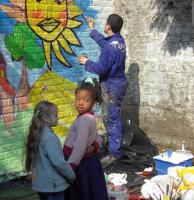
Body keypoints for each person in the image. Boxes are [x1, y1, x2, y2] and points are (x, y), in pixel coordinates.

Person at [78, 14, 128, 159]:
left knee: (112, 120)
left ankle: (115, 154)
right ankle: (115, 148)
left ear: (108, 26)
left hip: (112, 86)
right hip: (118, 84)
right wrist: (92, 29)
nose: (104, 25)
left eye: (105, 23)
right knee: (112, 118)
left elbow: (101, 69)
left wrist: (86, 62)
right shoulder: (119, 41)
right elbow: (105, 44)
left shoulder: (110, 48)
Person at [63, 79, 109, 200]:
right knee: (90, 191)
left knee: (80, 193)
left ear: (93, 103)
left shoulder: (84, 120)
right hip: (88, 162)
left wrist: (70, 167)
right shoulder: (88, 117)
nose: (81, 103)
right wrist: (94, 146)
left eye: (86, 100)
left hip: (80, 164)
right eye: (78, 99)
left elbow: (79, 146)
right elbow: (97, 137)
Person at [25, 101, 76, 200]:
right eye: (55, 115)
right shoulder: (49, 138)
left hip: (41, 185)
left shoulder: (36, 135)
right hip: (53, 186)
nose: (58, 118)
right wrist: (71, 175)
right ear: (45, 118)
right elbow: (59, 162)